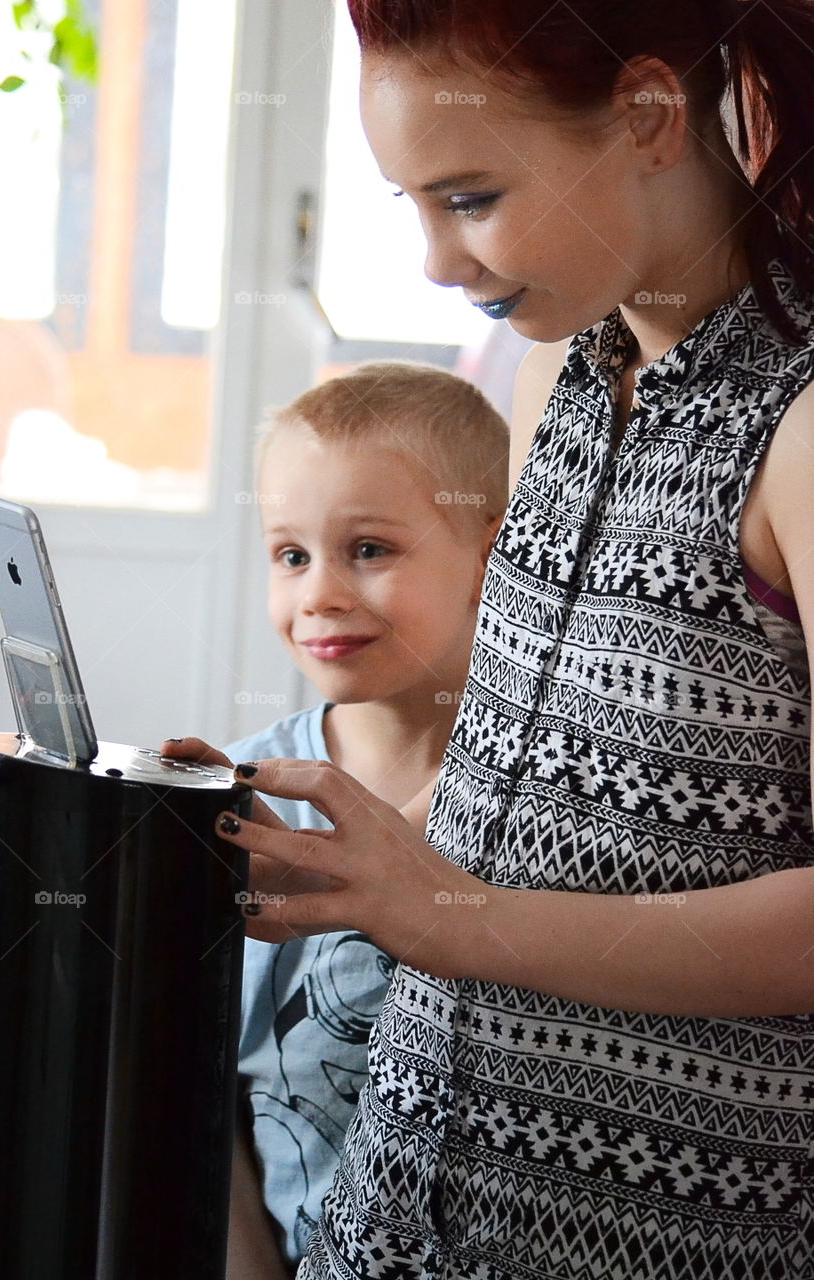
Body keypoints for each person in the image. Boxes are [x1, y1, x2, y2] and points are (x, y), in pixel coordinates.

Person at [208, 1, 814, 1277]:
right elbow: (580, 834)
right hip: (396, 1221)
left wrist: (449, 910)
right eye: (410, 205)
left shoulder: (798, 430)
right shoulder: (554, 376)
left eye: (471, 196)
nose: (436, 259)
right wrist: (372, 865)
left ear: (648, 117)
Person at [163, 359, 509, 1277]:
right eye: (290, 555)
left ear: (490, 549)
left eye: (368, 549)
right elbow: (208, 1106)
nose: (317, 591)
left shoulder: (535, 795)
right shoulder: (247, 799)